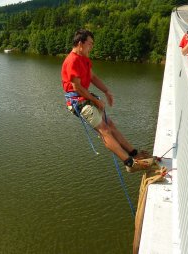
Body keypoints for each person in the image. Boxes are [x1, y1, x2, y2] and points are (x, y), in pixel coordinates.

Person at [61, 29, 153, 173]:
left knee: (110, 125)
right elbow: (76, 87)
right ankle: (130, 163)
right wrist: (96, 101)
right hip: (77, 102)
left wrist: (106, 91)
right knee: (104, 130)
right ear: (80, 43)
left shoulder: (83, 58)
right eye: (90, 44)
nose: (92, 47)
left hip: (85, 98)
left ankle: (135, 154)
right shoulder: (72, 60)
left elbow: (92, 77)